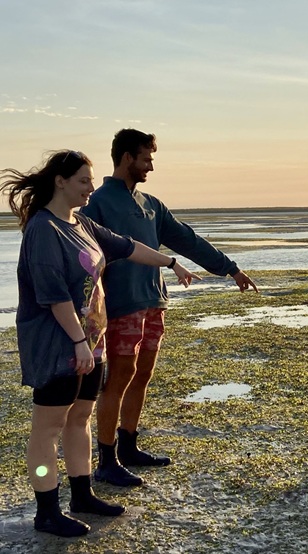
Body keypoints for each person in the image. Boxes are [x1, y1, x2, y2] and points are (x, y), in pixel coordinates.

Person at [1, 150, 198, 536]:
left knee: (80, 418)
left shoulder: (81, 223)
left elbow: (125, 246)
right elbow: (53, 294)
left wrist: (170, 263)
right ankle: (46, 510)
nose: (92, 188)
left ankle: (82, 493)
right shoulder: (44, 229)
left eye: (91, 181)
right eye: (83, 181)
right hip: (58, 344)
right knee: (48, 427)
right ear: (60, 181)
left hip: (90, 342)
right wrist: (77, 340)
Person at [79, 129, 258, 487]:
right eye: (146, 159)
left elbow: (187, 239)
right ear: (127, 158)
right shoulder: (98, 203)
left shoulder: (151, 205)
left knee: (141, 375)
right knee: (117, 379)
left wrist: (230, 267)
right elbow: (83, 256)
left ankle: (129, 446)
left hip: (153, 302)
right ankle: (106, 458)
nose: (151, 166)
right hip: (120, 306)